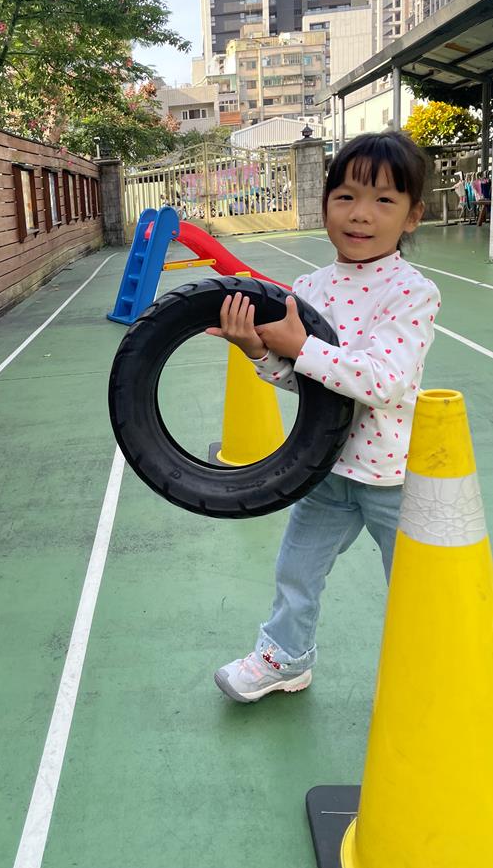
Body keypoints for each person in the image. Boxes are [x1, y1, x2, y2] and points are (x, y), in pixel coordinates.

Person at [206, 131, 441, 703]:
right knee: (297, 569)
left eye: (384, 200)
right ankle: (285, 658)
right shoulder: (309, 289)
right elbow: (307, 383)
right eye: (346, 197)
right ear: (325, 204)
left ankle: (435, 672)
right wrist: (261, 353)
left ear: (412, 216)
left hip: (394, 475)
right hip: (325, 469)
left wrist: (303, 347)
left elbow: (384, 381)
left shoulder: (412, 292)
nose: (361, 214)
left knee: (417, 584)